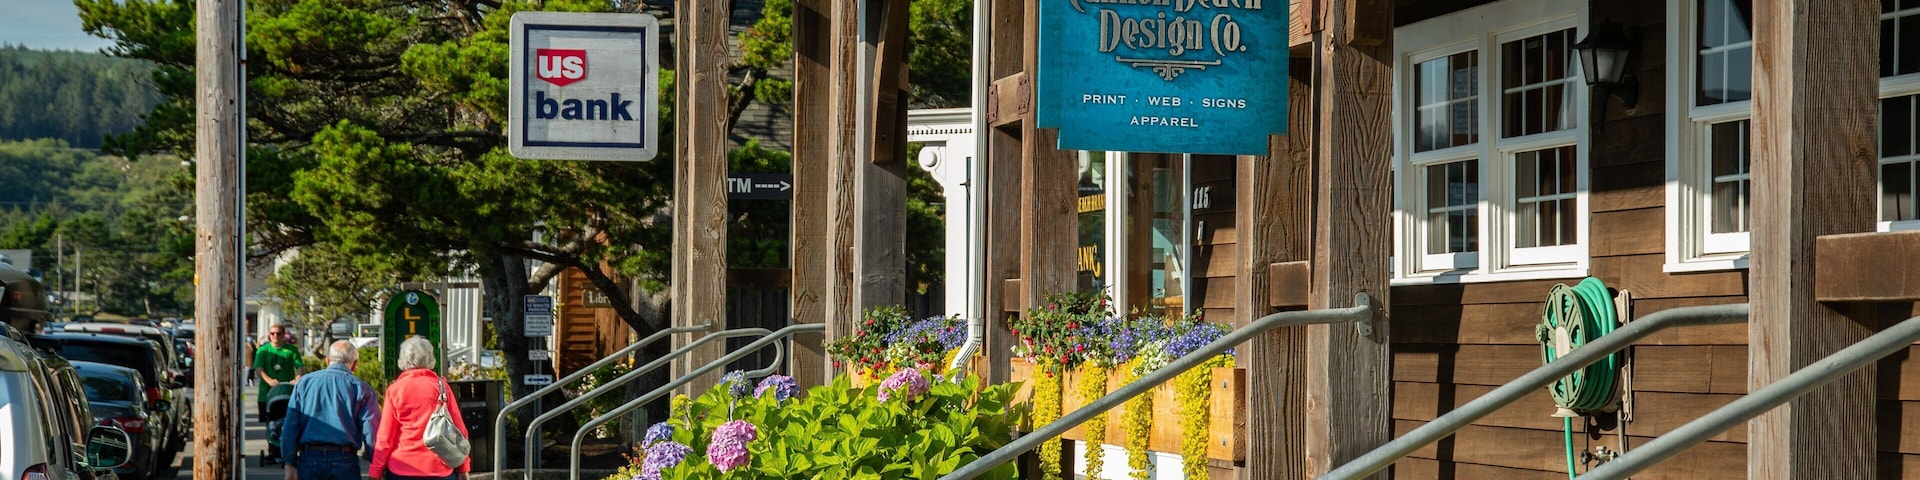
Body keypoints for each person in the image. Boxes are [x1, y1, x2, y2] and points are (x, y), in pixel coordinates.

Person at [371, 336, 470, 480]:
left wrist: (376, 471)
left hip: (402, 467)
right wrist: (463, 467)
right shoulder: (441, 387)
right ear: (430, 358)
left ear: (403, 359)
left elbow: (385, 438)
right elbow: (459, 431)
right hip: (439, 467)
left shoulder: (395, 390)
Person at [280, 341, 380, 480]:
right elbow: (370, 431)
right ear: (355, 363)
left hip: (310, 458)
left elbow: (291, 426)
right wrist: (376, 464)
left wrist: (289, 462)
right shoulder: (362, 389)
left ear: (327, 360)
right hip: (346, 459)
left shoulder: (304, 383)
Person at [255, 323, 304, 418]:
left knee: (288, 421)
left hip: (286, 392)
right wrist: (270, 381)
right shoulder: (263, 350)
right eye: (272, 333)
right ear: (269, 334)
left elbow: (300, 367)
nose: (275, 336)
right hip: (266, 394)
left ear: (283, 334)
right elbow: (259, 369)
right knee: (270, 424)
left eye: (278, 333)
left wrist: (297, 379)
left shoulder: (292, 350)